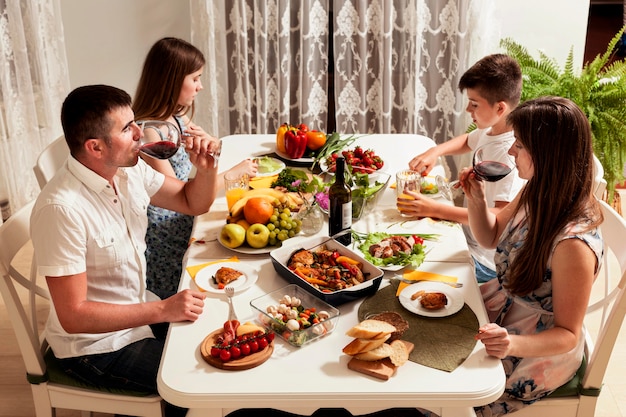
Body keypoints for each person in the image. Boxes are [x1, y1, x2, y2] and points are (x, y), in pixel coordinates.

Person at [30, 84, 220, 417]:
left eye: (135, 122)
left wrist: (205, 168)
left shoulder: (127, 172)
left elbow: (193, 202)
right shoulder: (62, 209)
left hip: (138, 311)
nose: (139, 133)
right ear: (95, 147)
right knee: (200, 380)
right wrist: (162, 310)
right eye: (126, 128)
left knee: (218, 336)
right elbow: (73, 316)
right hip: (95, 348)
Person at [462, 97, 604, 416]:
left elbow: (567, 334)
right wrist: (475, 200)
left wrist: (511, 344)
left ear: (546, 154)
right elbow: (491, 235)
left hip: (536, 350)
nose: (511, 151)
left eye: (520, 144)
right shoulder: (537, 189)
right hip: (503, 311)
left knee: (444, 394)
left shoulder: (573, 246)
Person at [133, 37, 257, 299]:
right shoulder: (151, 133)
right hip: (167, 233)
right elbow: (177, 198)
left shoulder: (176, 115)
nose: (200, 87)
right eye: (195, 78)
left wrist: (213, 147)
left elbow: (205, 161)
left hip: (187, 210)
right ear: (171, 79)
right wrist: (233, 174)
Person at [402, 54, 526, 282]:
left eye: (475, 104)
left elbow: (498, 217)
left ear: (500, 108)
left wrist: (435, 210)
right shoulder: (493, 130)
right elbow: (469, 140)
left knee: (409, 272)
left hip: (484, 260)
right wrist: (435, 152)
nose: (468, 109)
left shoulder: (509, 155)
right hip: (468, 236)